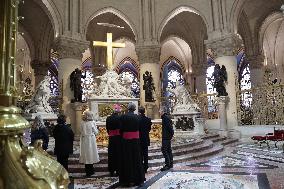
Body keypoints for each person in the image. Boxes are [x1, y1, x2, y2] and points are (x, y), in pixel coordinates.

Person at [119, 103, 145, 186]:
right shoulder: (138, 117)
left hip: (126, 141)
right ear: (134, 109)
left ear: (128, 108)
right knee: (137, 159)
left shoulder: (123, 117)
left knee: (127, 159)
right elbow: (140, 129)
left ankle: (128, 180)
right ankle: (138, 179)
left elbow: (121, 129)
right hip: (136, 141)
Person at [79, 110, 100, 177]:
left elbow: (80, 130)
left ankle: (87, 171)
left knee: (86, 154)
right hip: (91, 139)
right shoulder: (92, 122)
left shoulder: (82, 122)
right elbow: (96, 132)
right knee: (91, 153)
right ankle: (91, 170)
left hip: (84, 139)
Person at [106, 104, 122, 177]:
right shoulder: (120, 118)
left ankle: (111, 170)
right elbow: (122, 128)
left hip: (111, 138)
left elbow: (107, 129)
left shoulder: (108, 118)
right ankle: (118, 171)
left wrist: (111, 133)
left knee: (111, 154)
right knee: (118, 154)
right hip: (118, 138)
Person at [160, 107, 174, 171]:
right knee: (168, 150)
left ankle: (167, 165)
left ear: (163, 111)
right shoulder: (165, 117)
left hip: (166, 137)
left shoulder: (165, 118)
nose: (159, 112)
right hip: (167, 137)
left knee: (164, 150)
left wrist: (171, 135)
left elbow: (170, 128)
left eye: (160, 111)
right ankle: (170, 163)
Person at [138, 106, 152, 173]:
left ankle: (140, 167)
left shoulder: (137, 119)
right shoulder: (148, 119)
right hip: (146, 138)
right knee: (145, 154)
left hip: (139, 138)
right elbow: (149, 129)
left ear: (139, 112)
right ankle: (146, 167)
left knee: (140, 154)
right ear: (144, 111)